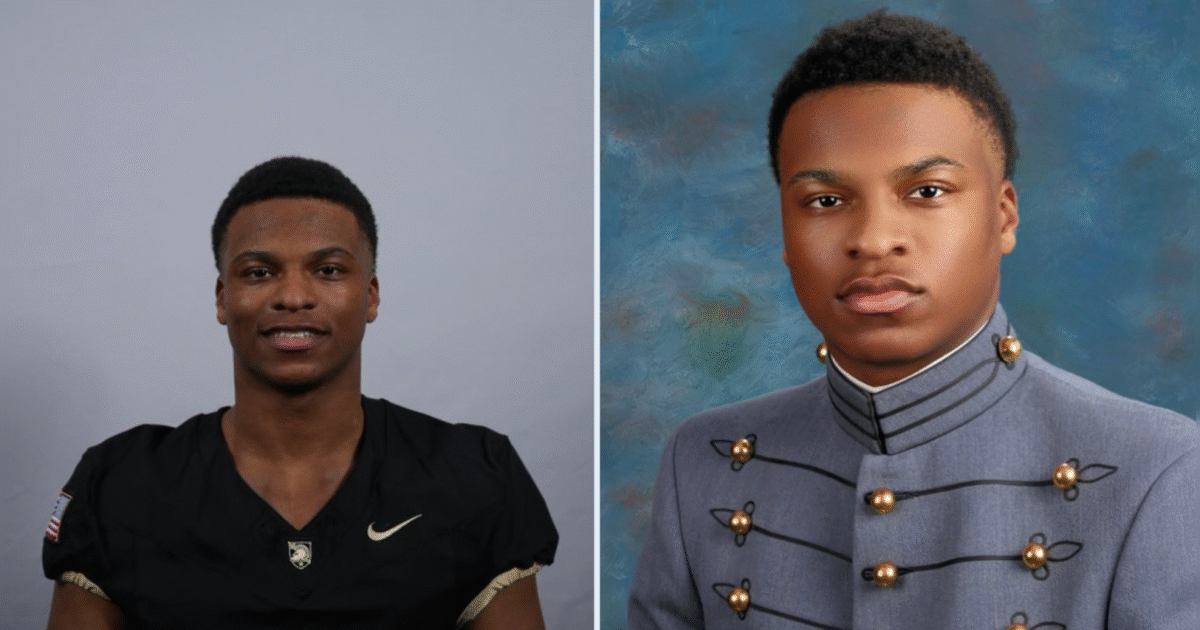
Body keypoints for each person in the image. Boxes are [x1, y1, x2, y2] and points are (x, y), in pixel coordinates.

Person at [628, 11, 1200, 630]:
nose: (873, 241)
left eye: (927, 191)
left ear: (1004, 216)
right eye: (825, 201)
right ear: (786, 234)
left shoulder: (1159, 470)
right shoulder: (703, 461)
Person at [42, 157, 558, 629]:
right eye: (259, 272)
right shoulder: (122, 483)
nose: (292, 296)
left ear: (370, 295)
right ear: (223, 297)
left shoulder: (471, 474)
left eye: (328, 270)